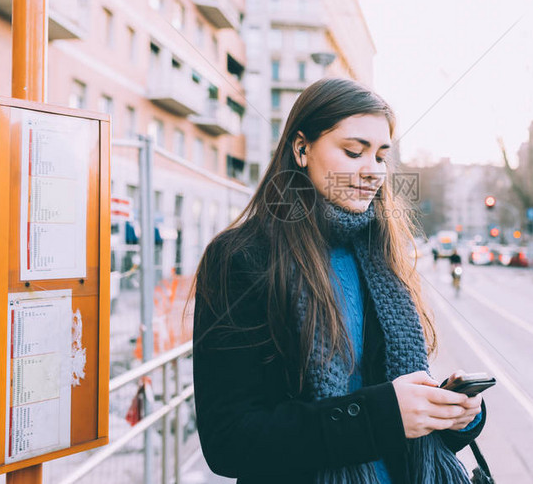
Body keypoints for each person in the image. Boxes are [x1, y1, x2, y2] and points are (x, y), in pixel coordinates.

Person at [191, 78, 486, 483]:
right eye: (353, 151)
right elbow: (229, 442)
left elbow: (398, 431)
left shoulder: (379, 253)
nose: (373, 171)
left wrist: (447, 414)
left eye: (381, 156)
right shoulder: (242, 257)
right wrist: (385, 414)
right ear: (301, 148)